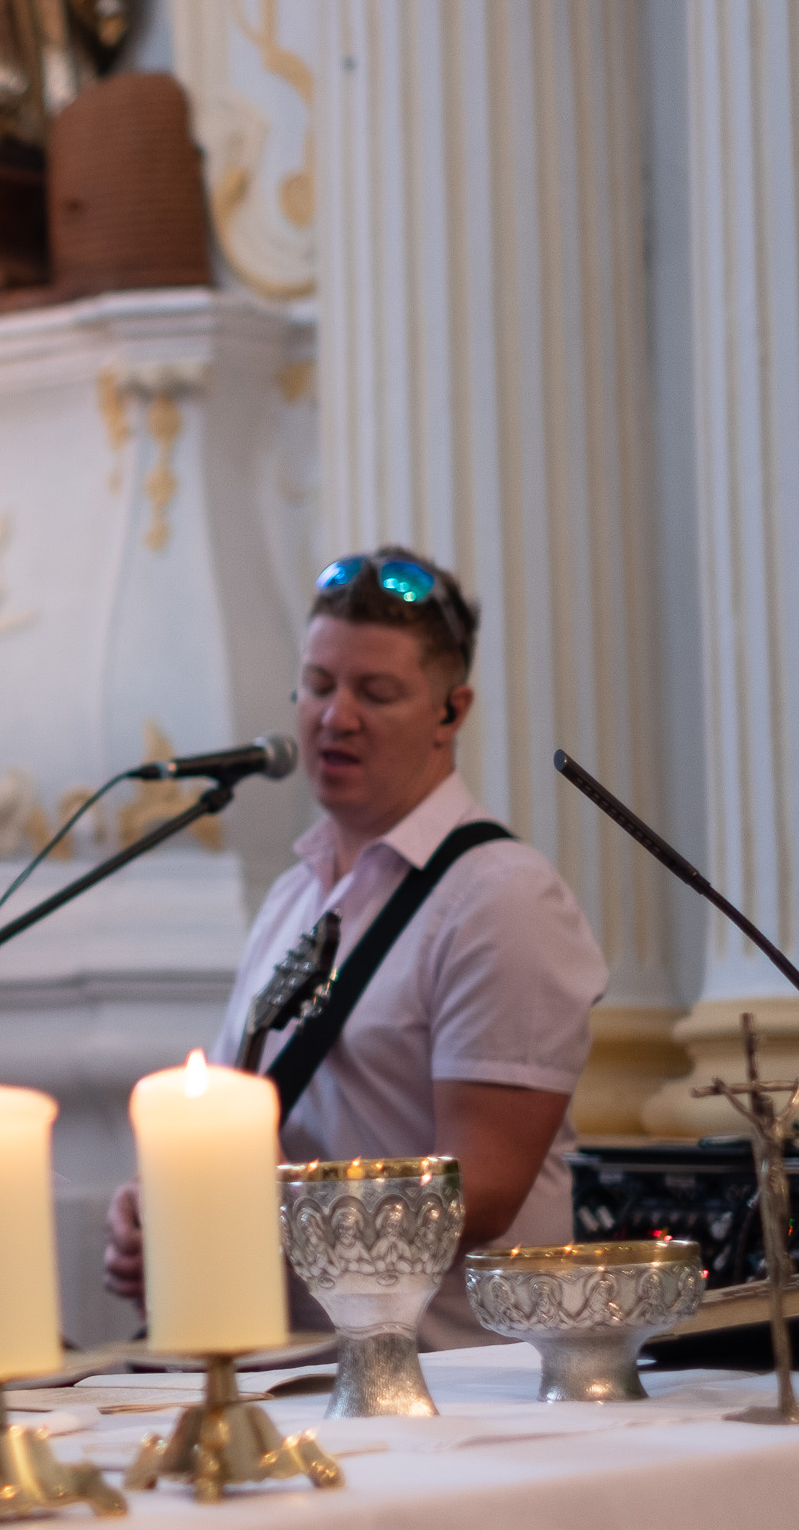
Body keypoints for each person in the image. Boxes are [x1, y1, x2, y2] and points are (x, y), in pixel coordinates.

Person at [102, 547, 608, 1344]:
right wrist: (160, 1201)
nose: (335, 717)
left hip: (458, 1379)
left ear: (451, 712)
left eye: (376, 693)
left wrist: (233, 1209)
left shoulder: (502, 898)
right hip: (286, 1372)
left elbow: (479, 1193)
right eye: (318, 685)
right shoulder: (292, 897)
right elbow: (237, 1126)